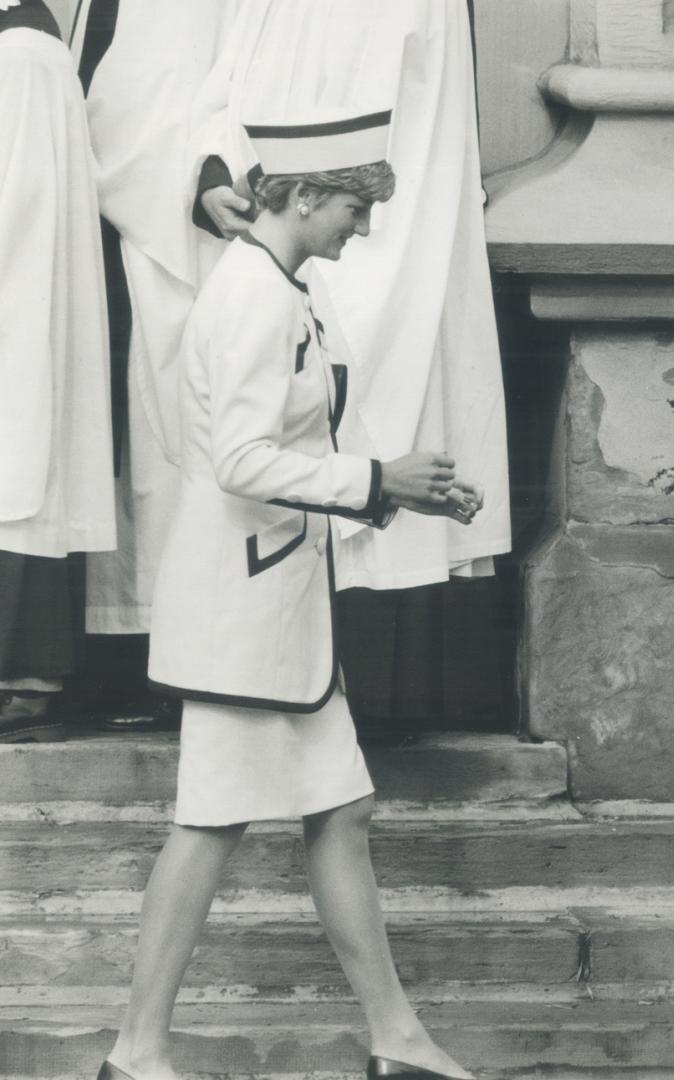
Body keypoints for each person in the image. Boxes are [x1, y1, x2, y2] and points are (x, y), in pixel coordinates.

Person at [98, 107, 478, 1080]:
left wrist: (388, 495)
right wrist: (374, 481)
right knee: (210, 823)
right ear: (302, 198)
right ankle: (135, 1052)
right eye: (352, 209)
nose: (361, 228)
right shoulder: (253, 299)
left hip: (281, 614)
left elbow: (291, 454)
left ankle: (395, 1037)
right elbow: (240, 460)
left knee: (340, 812)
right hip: (243, 616)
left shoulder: (283, 287)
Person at [188, 0, 511, 741]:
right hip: (281, 234)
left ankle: (374, 691)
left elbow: (395, 152)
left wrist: (340, 241)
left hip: (343, 245)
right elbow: (231, 83)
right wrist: (215, 170)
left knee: (338, 800)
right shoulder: (254, 292)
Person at [67, 0, 241, 731]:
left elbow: (159, 99)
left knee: (160, 451)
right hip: (101, 226)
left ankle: (169, 664)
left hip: (156, 234)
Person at [0, 0, 116, 743]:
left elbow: (18, 209)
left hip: (20, 305)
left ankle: (24, 679)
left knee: (20, 468)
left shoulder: (22, 57)